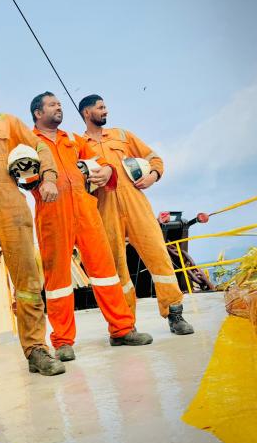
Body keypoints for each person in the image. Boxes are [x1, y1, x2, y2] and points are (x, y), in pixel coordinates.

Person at [0, 68, 65, 381]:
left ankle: (36, 350)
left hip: (11, 205)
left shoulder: (8, 122)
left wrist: (48, 177)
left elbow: (40, 147)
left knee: (28, 283)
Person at [30, 92, 153, 361]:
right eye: (52, 105)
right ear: (38, 113)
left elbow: (102, 162)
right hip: (52, 214)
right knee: (58, 281)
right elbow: (21, 174)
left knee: (106, 272)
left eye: (59, 104)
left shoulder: (73, 139)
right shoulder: (29, 142)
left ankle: (122, 329)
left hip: (86, 210)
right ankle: (63, 342)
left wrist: (107, 170)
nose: (59, 107)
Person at [79, 94, 194, 335]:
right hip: (105, 209)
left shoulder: (122, 135)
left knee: (158, 255)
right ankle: (126, 324)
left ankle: (175, 313)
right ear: (87, 113)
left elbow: (154, 158)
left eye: (105, 106)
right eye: (100, 107)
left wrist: (153, 176)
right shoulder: (79, 144)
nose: (105, 110)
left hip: (136, 204)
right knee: (116, 268)